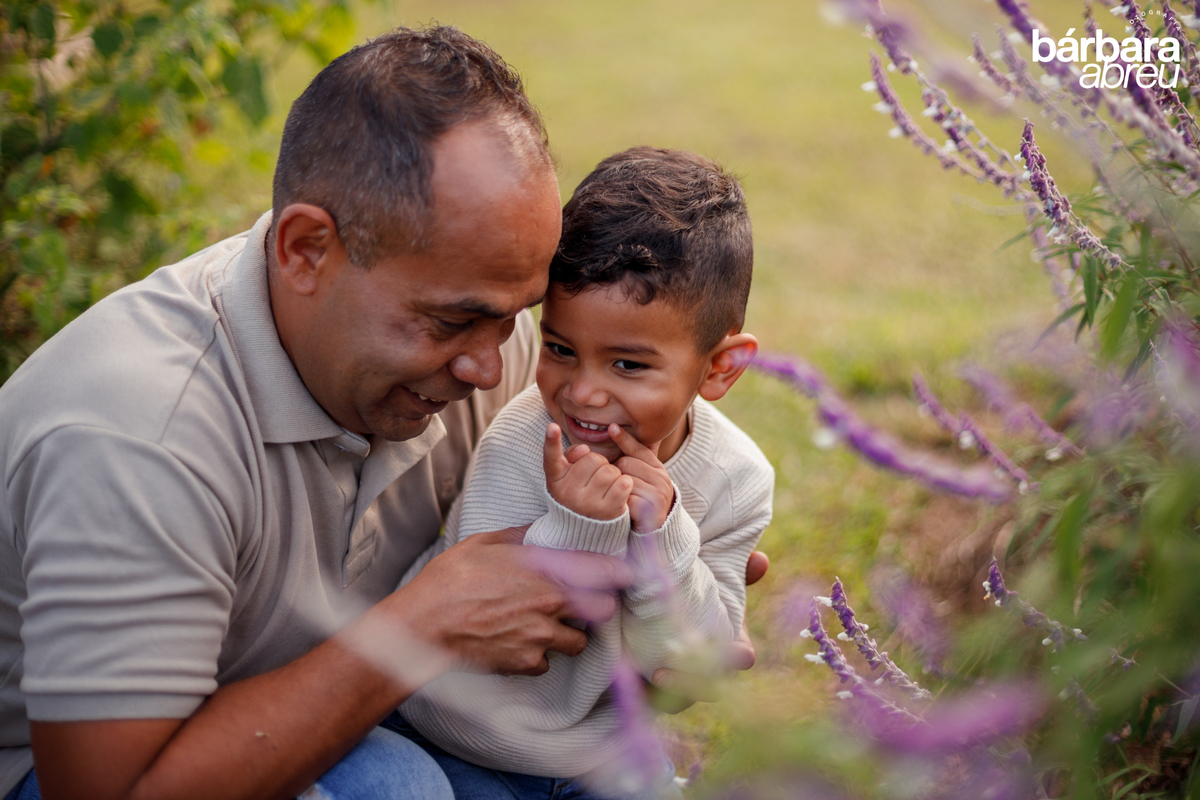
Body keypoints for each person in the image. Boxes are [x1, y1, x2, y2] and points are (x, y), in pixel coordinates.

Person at [0, 26, 765, 800]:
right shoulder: (138, 434)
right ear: (305, 251)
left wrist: (680, 564)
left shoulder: (484, 350)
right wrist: (419, 627)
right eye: (451, 321)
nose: (493, 368)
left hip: (272, 708)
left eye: (516, 317)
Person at [389, 147, 773, 799]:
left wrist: (665, 538)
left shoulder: (736, 478)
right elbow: (508, 624)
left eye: (628, 365)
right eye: (561, 349)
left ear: (719, 367)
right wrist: (583, 524)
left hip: (602, 749)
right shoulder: (525, 438)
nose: (583, 393)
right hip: (459, 736)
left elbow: (698, 658)